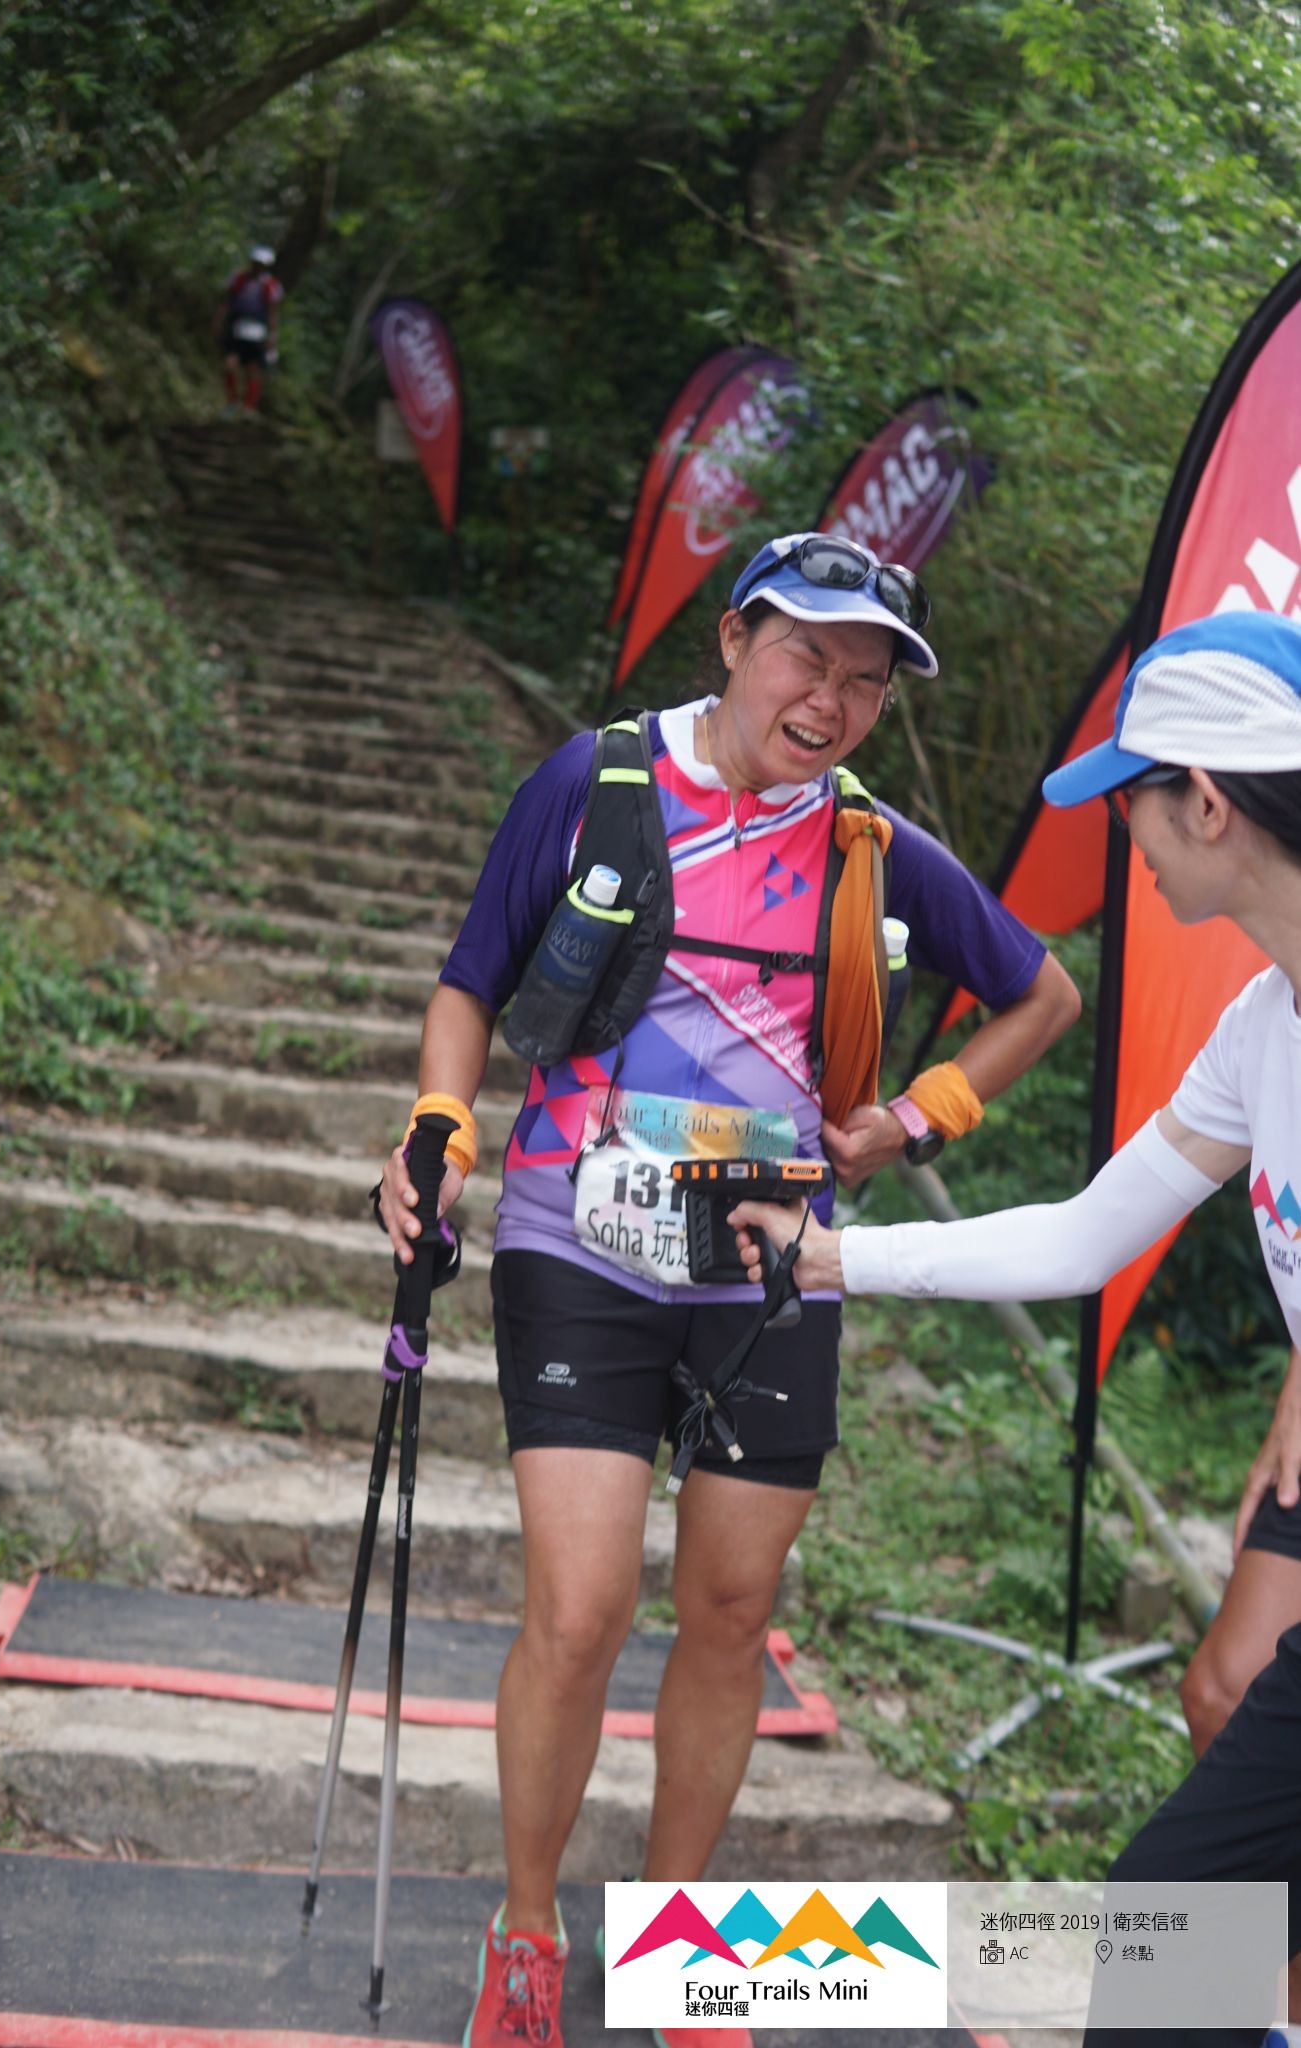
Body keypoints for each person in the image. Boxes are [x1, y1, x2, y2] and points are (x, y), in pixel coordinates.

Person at [379, 530, 1079, 2048]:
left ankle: (679, 1948)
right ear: (734, 640)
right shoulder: (596, 782)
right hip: (579, 1235)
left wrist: (919, 1116)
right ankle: (524, 1929)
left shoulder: (871, 846)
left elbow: (1042, 990)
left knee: (731, 1605)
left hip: (772, 1261)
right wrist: (438, 1125)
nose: (828, 700)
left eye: (865, 683)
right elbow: (470, 981)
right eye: (806, 657)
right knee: (580, 1612)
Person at [728, 609, 1301, 2046]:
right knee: (1179, 1934)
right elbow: (1085, 1234)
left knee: (1171, 1934)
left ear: (1207, 802)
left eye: (1130, 801)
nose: (1125, 840)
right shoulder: (1261, 1027)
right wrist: (833, 1261)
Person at [216, 244, 282, 416]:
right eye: (256, 263)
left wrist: (272, 336)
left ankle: (249, 408)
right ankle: (232, 403)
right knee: (230, 365)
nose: (258, 267)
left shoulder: (271, 286)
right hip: (237, 327)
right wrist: (219, 322)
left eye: (262, 265)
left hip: (258, 331)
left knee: (253, 370)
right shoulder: (238, 279)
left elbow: (272, 313)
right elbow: (227, 302)